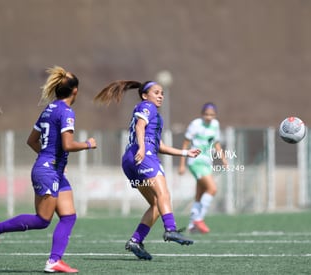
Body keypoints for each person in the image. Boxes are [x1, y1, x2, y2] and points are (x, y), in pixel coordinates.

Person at [0, 66, 96, 273]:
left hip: (52, 170)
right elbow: (68, 145)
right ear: (75, 91)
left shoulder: (49, 109)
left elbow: (31, 141)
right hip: (49, 171)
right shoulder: (66, 111)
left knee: (69, 216)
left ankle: (54, 261)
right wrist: (88, 144)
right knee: (42, 220)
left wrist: (50, 160)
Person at [94, 80, 201, 260]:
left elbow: (160, 145)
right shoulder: (147, 106)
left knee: (157, 205)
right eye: (156, 92)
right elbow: (139, 126)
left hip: (131, 160)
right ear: (145, 95)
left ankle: (136, 240)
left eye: (162, 93)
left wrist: (185, 152)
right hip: (142, 156)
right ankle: (170, 229)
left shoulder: (156, 116)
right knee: (164, 194)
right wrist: (142, 148)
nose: (160, 96)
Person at [178, 102, 227, 234]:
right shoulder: (195, 124)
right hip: (195, 161)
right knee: (212, 189)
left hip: (207, 162)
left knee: (199, 194)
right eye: (206, 114)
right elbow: (185, 144)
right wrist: (182, 164)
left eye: (212, 114)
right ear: (202, 114)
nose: (209, 117)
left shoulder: (215, 125)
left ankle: (191, 226)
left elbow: (216, 144)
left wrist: (223, 159)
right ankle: (198, 219)